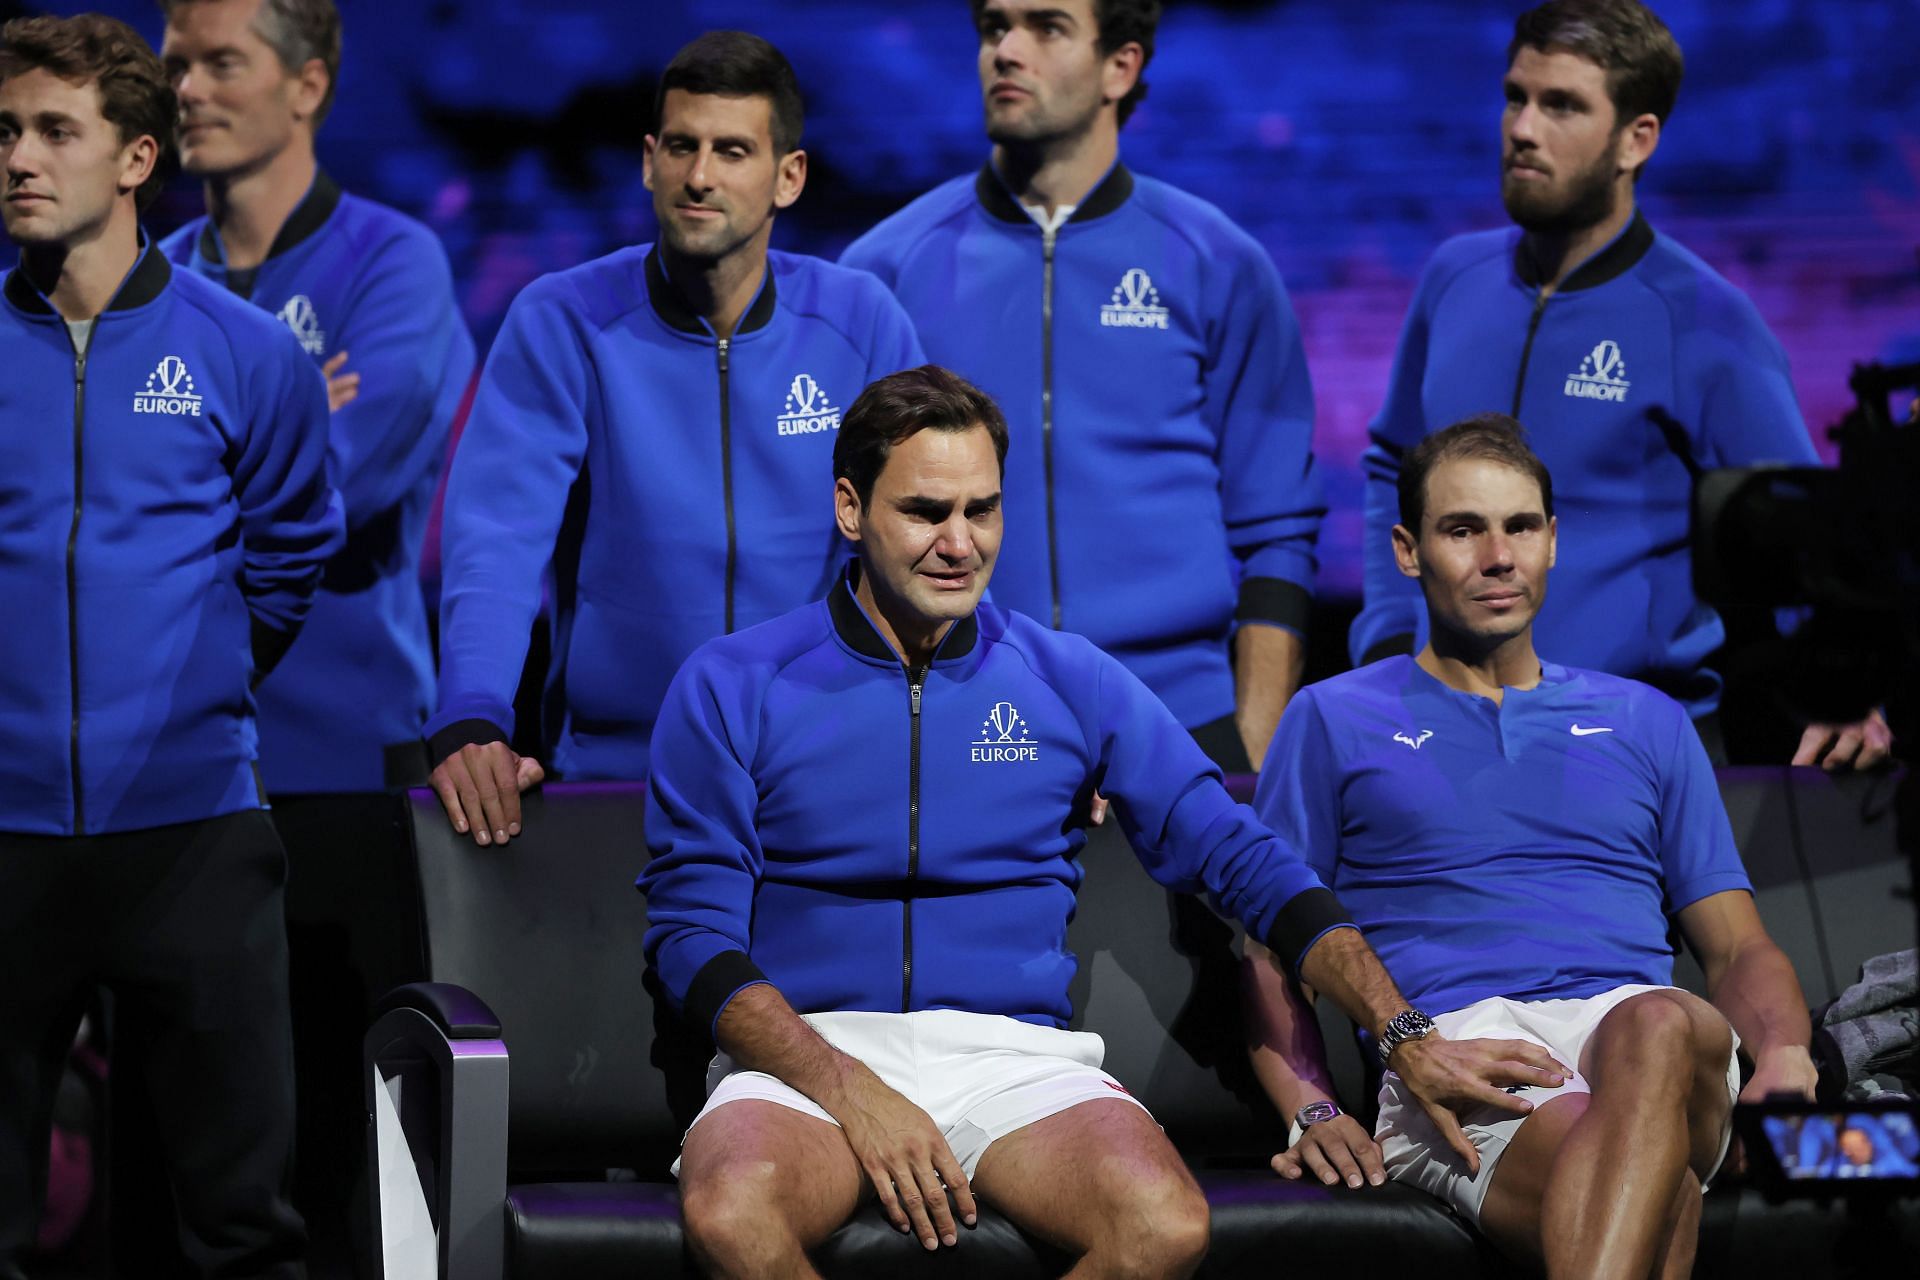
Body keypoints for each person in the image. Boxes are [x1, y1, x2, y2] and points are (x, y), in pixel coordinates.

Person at [642, 368, 1562, 1280]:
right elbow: (691, 938)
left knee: (1163, 1225)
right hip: (815, 1054)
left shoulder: (1070, 679)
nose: (961, 543)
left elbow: (1243, 860)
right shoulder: (734, 685)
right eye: (927, 512)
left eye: (984, 510)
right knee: (733, 1213)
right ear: (851, 509)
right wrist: (853, 1090)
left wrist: (1405, 1033)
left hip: (1011, 1059)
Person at [1246, 416, 1818, 1279]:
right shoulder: (1331, 719)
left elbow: (1737, 945)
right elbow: (1269, 942)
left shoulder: (1648, 722)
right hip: (1457, 1054)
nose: (1498, 555)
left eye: (1520, 527)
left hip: (1645, 1038)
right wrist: (1312, 1108)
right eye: (1463, 529)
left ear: (1553, 542)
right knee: (1654, 1201)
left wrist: (1784, 1055)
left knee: (1661, 1021)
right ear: (1408, 551)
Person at [0, 13, 340, 1275]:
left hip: (194, 829)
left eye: (53, 131)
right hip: (8, 833)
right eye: (5, 130)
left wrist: (203, 686)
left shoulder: (245, 353)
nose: (19, 159)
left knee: (240, 1228)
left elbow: (294, 548)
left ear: (136, 159)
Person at [1346, 0, 1891, 771]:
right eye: (1516, 97)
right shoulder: (1452, 280)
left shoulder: (1707, 324)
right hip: (1435, 745)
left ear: (1637, 139)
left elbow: (1808, 533)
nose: (1523, 129)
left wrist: (1851, 693)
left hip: (1631, 755)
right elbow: (1388, 468)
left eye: (1562, 105)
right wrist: (1385, 638)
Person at [428, 30, 923, 845]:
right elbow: (498, 539)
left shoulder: (862, 322)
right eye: (683, 147)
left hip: (827, 775)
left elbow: (929, 541)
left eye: (733, 151)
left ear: (787, 177)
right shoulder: (565, 321)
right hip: (618, 780)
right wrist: (473, 714)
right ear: (649, 160)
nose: (701, 176)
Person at [842, 0, 1323, 773]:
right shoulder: (884, 272)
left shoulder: (1218, 264)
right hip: (960, 725)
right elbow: (844, 528)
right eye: (995, 28)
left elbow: (1280, 530)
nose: (1007, 50)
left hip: (1184, 727)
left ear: (1120, 66)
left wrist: (1253, 751)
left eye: (1046, 27)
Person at [157, 0, 475, 792]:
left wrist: (174, 451)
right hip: (167, 747)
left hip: (347, 757)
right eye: (176, 66)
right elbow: (92, 500)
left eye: (220, 64)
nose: (187, 90)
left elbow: (340, 485)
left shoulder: (395, 265)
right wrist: (294, 411)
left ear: (307, 86)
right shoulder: (147, 280)